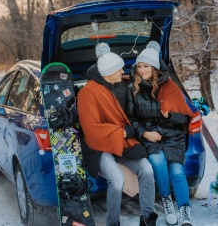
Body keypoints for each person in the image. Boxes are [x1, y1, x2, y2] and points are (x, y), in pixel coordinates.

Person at [77, 42, 158, 226]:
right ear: (107, 73)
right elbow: (91, 129)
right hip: (98, 146)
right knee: (117, 179)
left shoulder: (122, 86)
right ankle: (113, 222)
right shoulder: (87, 93)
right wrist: (121, 132)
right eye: (119, 70)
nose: (122, 72)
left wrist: (132, 130)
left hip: (122, 141)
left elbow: (132, 113)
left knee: (146, 169)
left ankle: (147, 216)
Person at [126, 41, 195, 226]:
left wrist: (170, 115)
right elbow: (132, 118)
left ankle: (185, 212)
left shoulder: (171, 88)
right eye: (139, 66)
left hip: (173, 136)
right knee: (157, 162)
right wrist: (145, 134)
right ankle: (166, 201)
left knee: (178, 172)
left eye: (145, 66)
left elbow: (184, 120)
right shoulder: (133, 89)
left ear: (154, 67)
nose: (141, 70)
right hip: (151, 136)